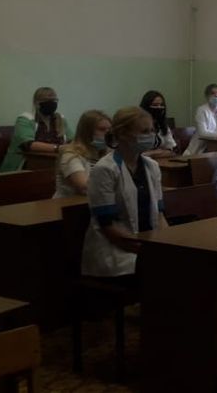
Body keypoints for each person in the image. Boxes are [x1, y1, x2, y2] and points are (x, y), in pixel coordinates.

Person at [81, 107, 168, 279]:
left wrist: (168, 244)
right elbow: (108, 226)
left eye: (152, 130)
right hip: (116, 251)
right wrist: (146, 250)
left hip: (146, 245)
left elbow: (159, 215)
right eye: (144, 131)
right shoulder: (105, 169)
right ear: (122, 134)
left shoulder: (152, 167)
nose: (150, 135)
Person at [0, 87, 73, 172]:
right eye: (46, 100)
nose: (51, 103)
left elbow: (73, 140)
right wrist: (58, 148)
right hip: (23, 166)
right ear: (37, 103)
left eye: (54, 100)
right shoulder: (25, 119)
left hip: (55, 164)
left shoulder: (60, 119)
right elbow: (28, 144)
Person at [54, 110, 111, 198]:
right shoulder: (71, 154)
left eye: (109, 130)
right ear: (87, 132)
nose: (108, 134)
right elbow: (84, 187)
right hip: (70, 204)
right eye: (102, 129)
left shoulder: (107, 153)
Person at [184, 83, 217, 156]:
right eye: (212, 93)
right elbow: (203, 133)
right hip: (200, 149)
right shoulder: (201, 110)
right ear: (207, 96)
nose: (216, 95)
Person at [139, 90, 176, 158]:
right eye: (155, 105)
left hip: (162, 161)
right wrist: (160, 151)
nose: (159, 108)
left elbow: (172, 151)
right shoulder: (136, 125)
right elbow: (138, 154)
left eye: (161, 105)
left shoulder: (163, 126)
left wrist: (151, 153)